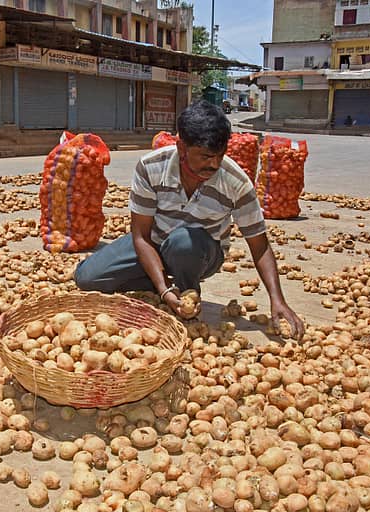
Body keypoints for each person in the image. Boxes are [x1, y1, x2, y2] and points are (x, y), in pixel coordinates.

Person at [73, 100, 304, 338]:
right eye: (205, 156)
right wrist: (162, 289)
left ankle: (187, 293)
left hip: (201, 252)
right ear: (182, 148)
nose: (213, 164)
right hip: (154, 241)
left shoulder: (235, 181)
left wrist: (278, 301)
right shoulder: (151, 167)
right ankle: (162, 286)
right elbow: (141, 236)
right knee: (87, 278)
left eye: (219, 156)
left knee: (183, 242)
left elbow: (260, 246)